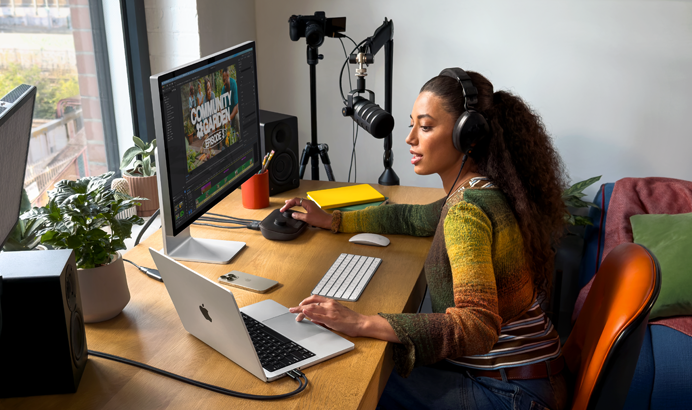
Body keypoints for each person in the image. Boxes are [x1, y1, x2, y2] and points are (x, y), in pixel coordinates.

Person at [280, 68, 570, 410]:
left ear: (467, 136)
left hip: (512, 394)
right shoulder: (482, 190)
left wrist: (360, 321)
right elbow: (410, 216)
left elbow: (476, 326)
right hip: (532, 375)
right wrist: (333, 220)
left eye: (426, 126)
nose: (410, 139)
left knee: (350, 384)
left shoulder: (467, 210)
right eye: (412, 124)